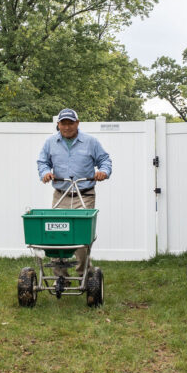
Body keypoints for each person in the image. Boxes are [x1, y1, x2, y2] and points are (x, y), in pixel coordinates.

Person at [36, 108, 112, 278]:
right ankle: (60, 277)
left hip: (84, 194)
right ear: (58, 125)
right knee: (55, 236)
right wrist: (45, 173)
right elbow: (42, 162)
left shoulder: (90, 142)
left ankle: (83, 275)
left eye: (71, 123)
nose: (67, 127)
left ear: (77, 123)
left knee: (81, 239)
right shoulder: (50, 142)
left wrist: (103, 172)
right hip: (61, 194)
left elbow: (104, 160)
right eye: (64, 123)